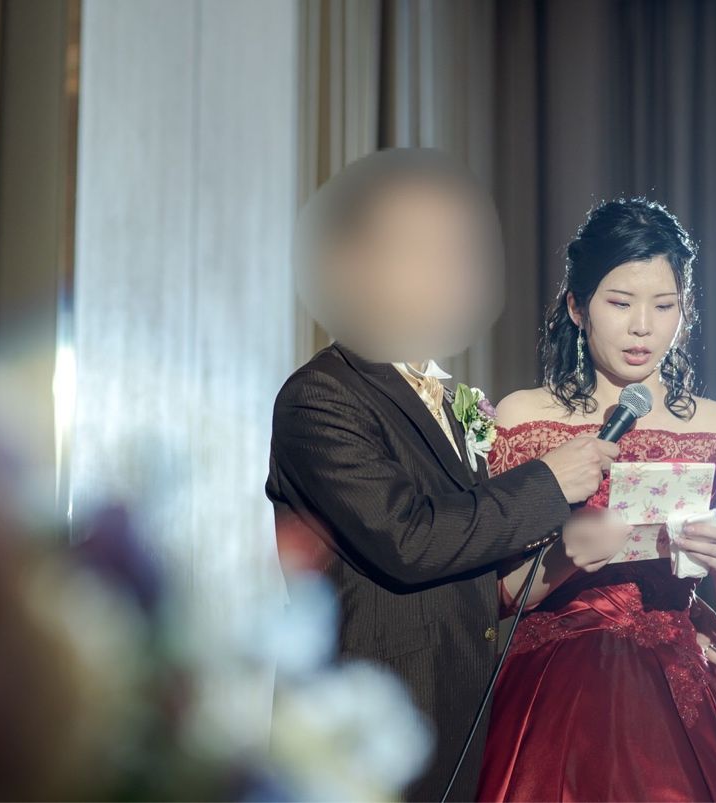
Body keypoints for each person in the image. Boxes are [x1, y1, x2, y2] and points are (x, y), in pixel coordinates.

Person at [266, 149, 633, 801]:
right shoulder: (322, 397)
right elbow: (410, 540)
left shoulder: (454, 402)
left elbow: (478, 565)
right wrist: (548, 482)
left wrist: (574, 555)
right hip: (367, 730)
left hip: (461, 714)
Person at [476, 198, 716, 801]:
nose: (643, 328)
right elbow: (490, 598)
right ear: (577, 307)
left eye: (664, 305)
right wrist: (565, 556)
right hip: (554, 680)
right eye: (620, 303)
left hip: (679, 681)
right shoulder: (523, 418)